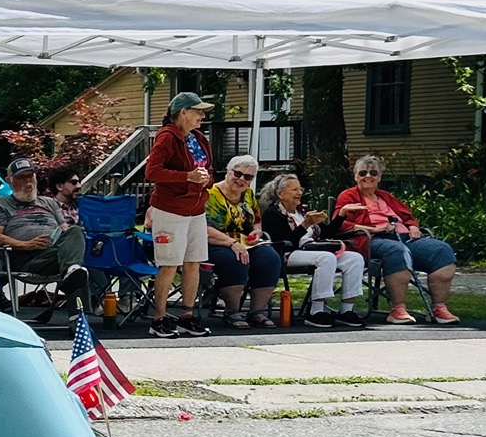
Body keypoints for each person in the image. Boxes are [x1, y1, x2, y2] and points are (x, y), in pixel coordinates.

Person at [333, 155, 460, 325]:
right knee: (396, 251)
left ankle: (438, 308)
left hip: (404, 237)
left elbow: (407, 216)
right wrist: (375, 229)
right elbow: (339, 224)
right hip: (372, 240)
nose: (368, 176)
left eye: (373, 173)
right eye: (362, 173)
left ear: (380, 177)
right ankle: (397, 309)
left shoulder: (385, 196)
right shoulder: (348, 196)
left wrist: (413, 226)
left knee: (442, 250)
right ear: (355, 176)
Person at [0, 157, 93, 332]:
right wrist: (26, 244)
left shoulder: (48, 202)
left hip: (54, 254)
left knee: (75, 233)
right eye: (22, 177)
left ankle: (72, 276)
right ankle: (78, 316)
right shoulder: (0, 203)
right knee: (75, 268)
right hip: (27, 258)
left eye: (31, 176)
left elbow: (64, 229)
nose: (28, 181)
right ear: (10, 181)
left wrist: (68, 238)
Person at [144, 92, 215, 338]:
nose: (202, 116)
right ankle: (159, 318)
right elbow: (152, 172)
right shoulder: (167, 136)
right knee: (169, 263)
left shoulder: (197, 137)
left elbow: (208, 169)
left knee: (193, 262)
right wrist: (186, 177)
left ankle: (187, 314)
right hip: (170, 208)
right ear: (183, 112)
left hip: (195, 208)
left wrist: (207, 180)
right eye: (198, 111)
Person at [259, 174, 367, 328]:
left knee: (355, 258)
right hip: (288, 253)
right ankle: (316, 311)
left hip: (312, 249)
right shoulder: (273, 214)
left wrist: (341, 214)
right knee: (326, 258)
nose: (299, 193)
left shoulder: (302, 211)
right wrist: (305, 224)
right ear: (280, 194)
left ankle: (346, 311)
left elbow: (325, 234)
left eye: (300, 189)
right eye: (294, 189)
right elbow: (287, 242)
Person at [205, 155, 282, 329]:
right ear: (228, 172)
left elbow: (256, 220)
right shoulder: (211, 195)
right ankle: (232, 311)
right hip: (215, 242)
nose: (241, 180)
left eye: (248, 177)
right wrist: (232, 243)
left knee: (270, 258)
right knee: (235, 259)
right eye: (238, 174)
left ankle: (257, 311)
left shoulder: (247, 194)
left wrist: (257, 231)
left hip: (244, 242)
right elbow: (205, 228)